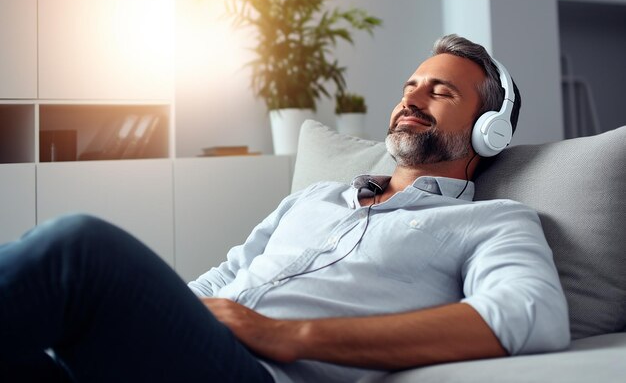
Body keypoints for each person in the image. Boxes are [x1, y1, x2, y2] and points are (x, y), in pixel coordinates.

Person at [0, 35, 569, 383]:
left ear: (488, 130)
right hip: (188, 349)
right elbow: (224, 276)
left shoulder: (493, 221)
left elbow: (529, 314)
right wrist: (156, 316)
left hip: (255, 375)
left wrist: (290, 336)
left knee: (77, 249)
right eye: (409, 86)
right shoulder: (315, 198)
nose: (409, 100)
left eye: (439, 92)